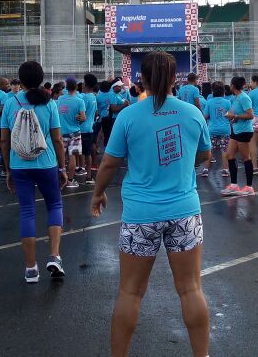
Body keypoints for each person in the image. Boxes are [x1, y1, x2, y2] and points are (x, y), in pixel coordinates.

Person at [91, 51, 211, 357]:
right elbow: (204, 155)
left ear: (141, 79)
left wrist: (98, 193)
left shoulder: (129, 116)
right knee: (191, 289)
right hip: (184, 211)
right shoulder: (192, 113)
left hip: (140, 215)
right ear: (174, 79)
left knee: (130, 292)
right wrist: (183, 164)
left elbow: (109, 163)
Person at [1, 61, 67, 283]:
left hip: (19, 165)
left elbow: (4, 140)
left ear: (20, 80)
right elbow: (57, 139)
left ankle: (31, 268)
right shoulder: (49, 103)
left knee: (27, 211)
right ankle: (55, 256)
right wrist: (62, 167)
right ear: (41, 79)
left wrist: (8, 169)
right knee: (54, 205)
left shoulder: (10, 103)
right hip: (46, 163)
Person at [221, 76, 255, 196]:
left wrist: (235, 116)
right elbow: (237, 114)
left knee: (246, 158)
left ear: (233, 85)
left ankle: (249, 187)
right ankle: (234, 185)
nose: (230, 86)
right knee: (229, 155)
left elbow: (250, 115)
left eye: (231, 84)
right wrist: (232, 117)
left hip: (244, 131)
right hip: (236, 130)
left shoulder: (244, 98)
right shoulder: (235, 98)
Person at [56, 77, 87, 190]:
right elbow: (83, 118)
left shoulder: (60, 99)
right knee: (72, 156)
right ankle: (69, 180)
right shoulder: (80, 101)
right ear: (76, 87)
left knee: (59, 157)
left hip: (61, 132)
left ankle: (58, 178)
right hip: (75, 132)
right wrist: (80, 118)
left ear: (66, 87)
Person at [202, 82, 232, 177]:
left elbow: (205, 116)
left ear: (213, 91)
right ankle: (225, 170)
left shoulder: (209, 102)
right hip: (225, 129)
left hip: (212, 129)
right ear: (223, 91)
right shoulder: (227, 102)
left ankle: (205, 170)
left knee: (210, 149)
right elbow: (230, 116)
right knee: (225, 149)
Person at [81, 73, 99, 184]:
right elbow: (96, 113)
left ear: (86, 84)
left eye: (83, 82)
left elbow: (81, 115)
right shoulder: (93, 97)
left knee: (78, 153)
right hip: (90, 129)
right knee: (87, 153)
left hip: (81, 129)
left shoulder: (84, 98)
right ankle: (88, 176)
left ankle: (81, 171)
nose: (82, 84)